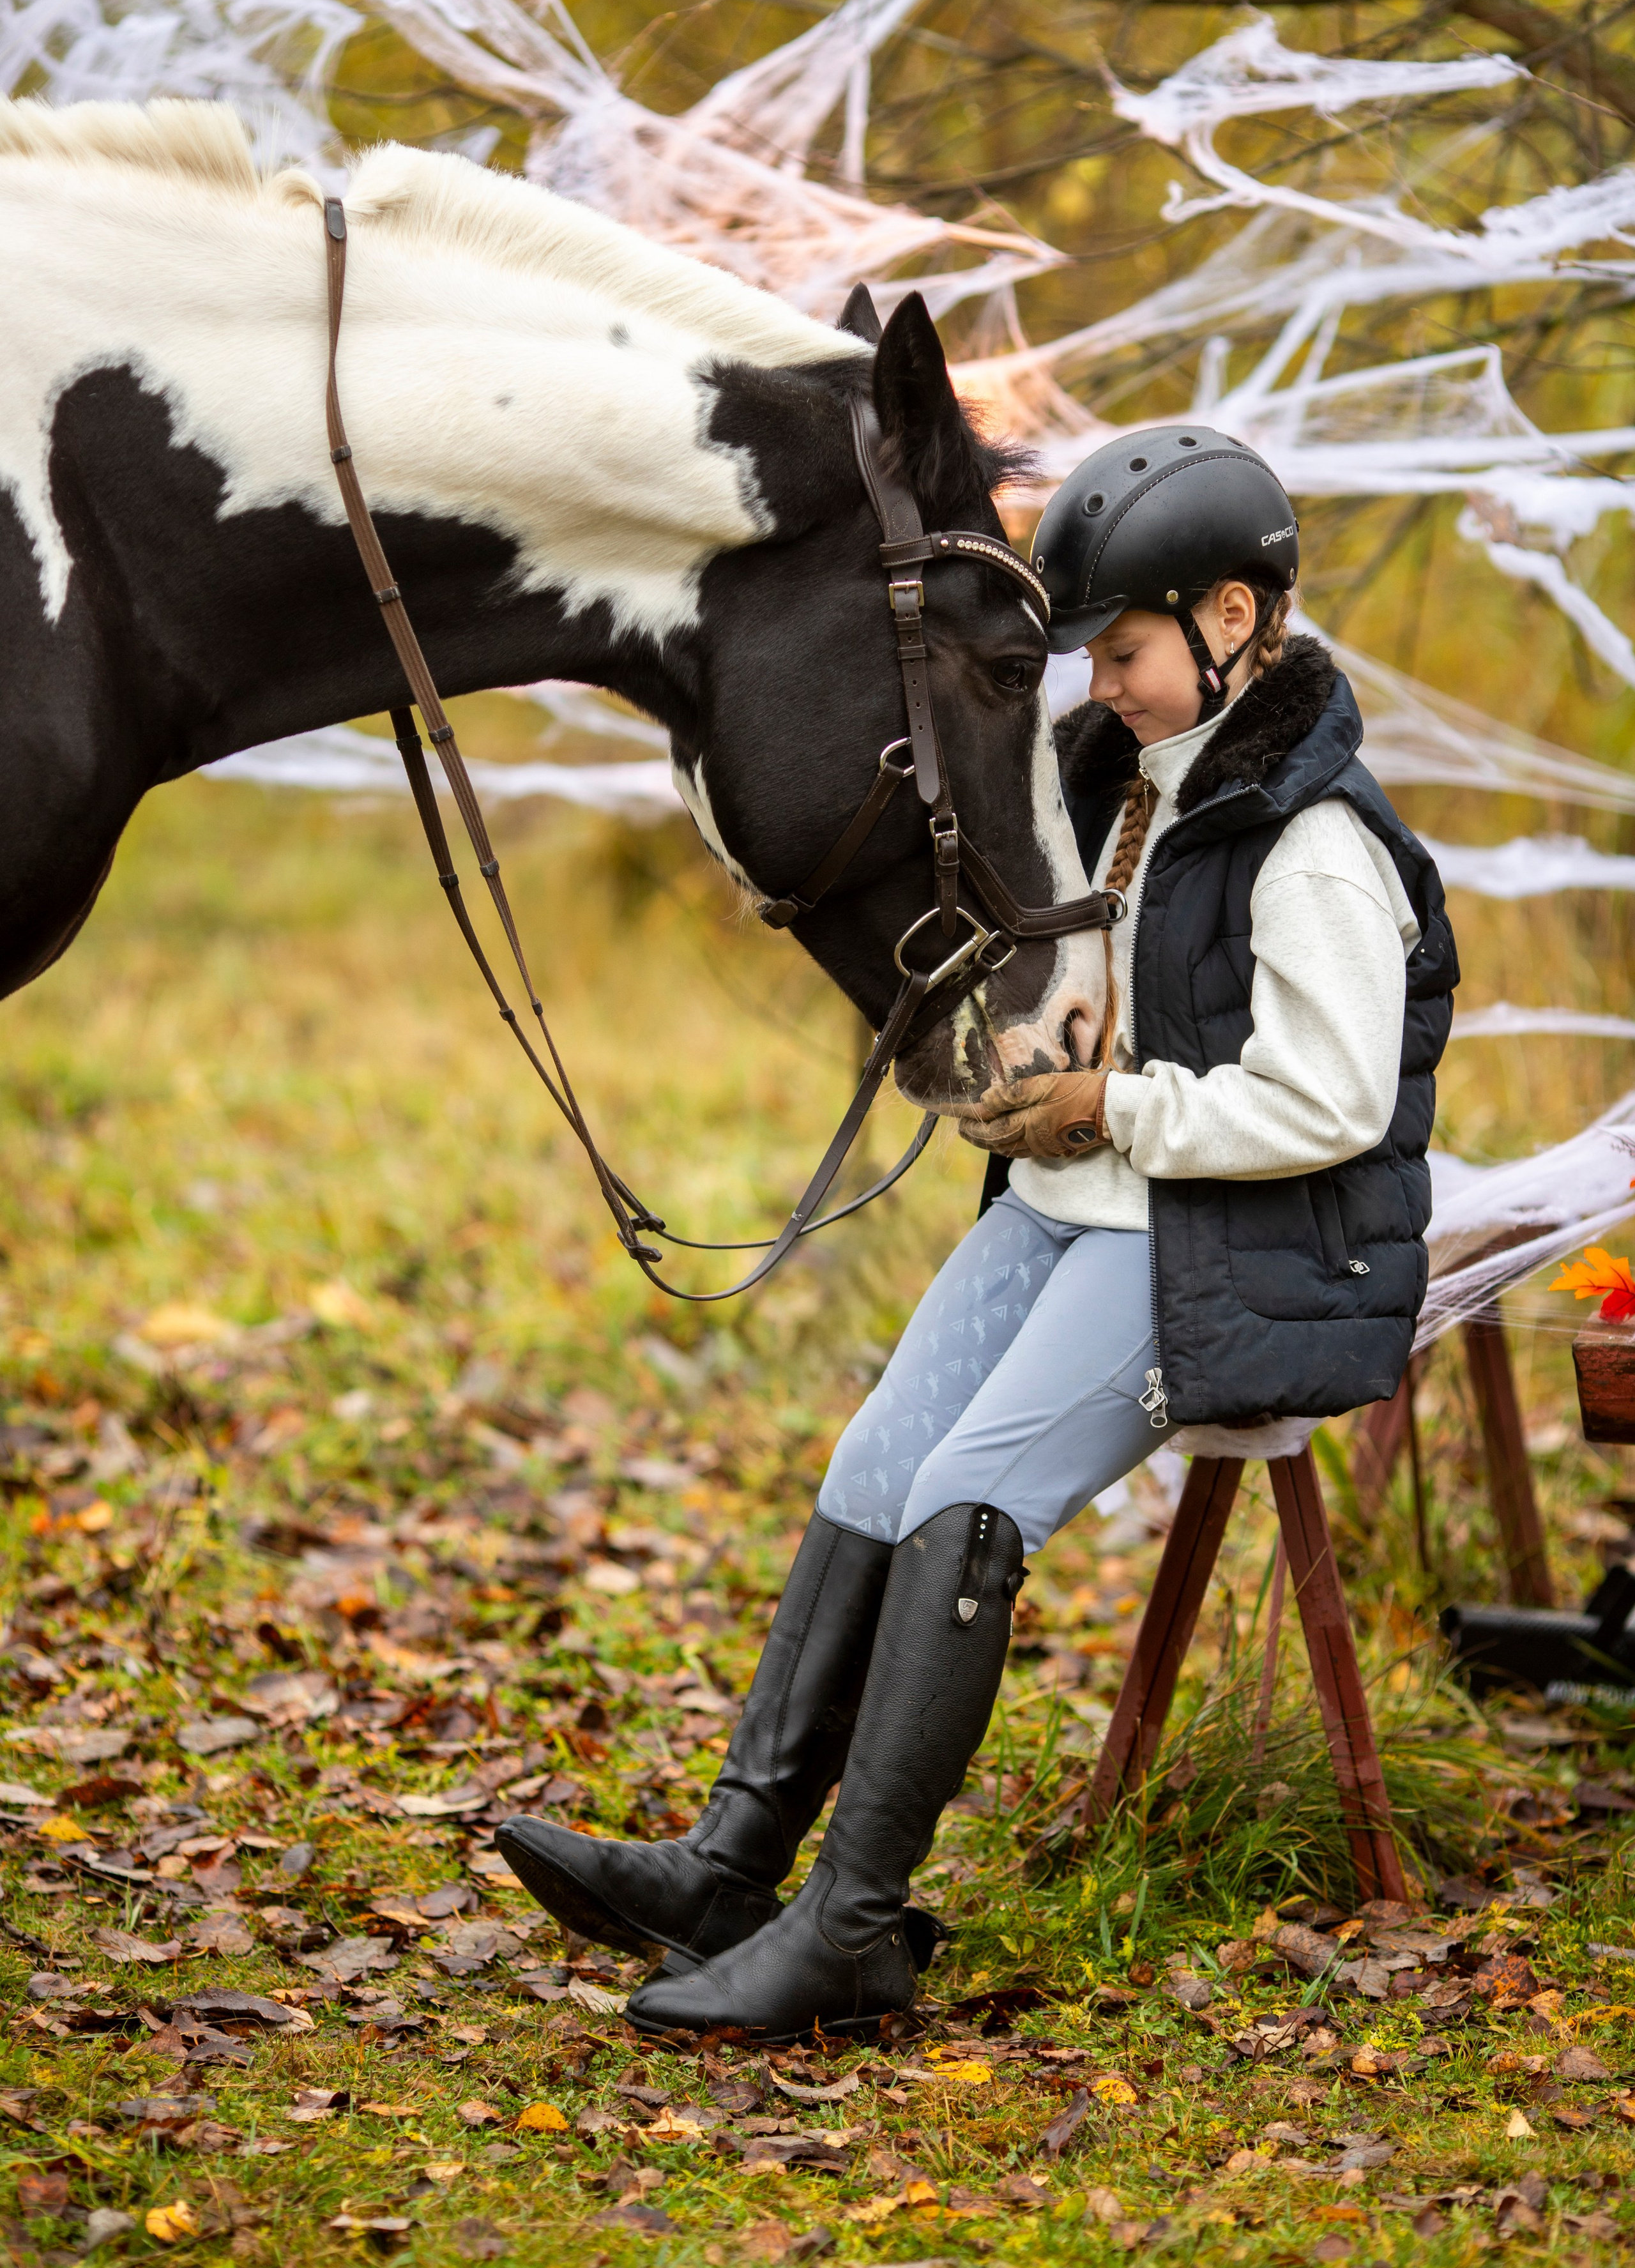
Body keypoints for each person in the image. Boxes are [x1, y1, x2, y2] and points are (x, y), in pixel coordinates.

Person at [496, 425, 1457, 2036]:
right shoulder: (1110, 783)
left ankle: (853, 1927)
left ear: (1234, 620)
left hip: (1228, 1239)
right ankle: (738, 1862)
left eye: (1129, 653)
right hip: (1072, 1203)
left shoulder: (1315, 844)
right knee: (877, 1462)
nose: (1101, 687)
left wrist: (1116, 1111)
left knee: (967, 1495)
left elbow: (1333, 1105)